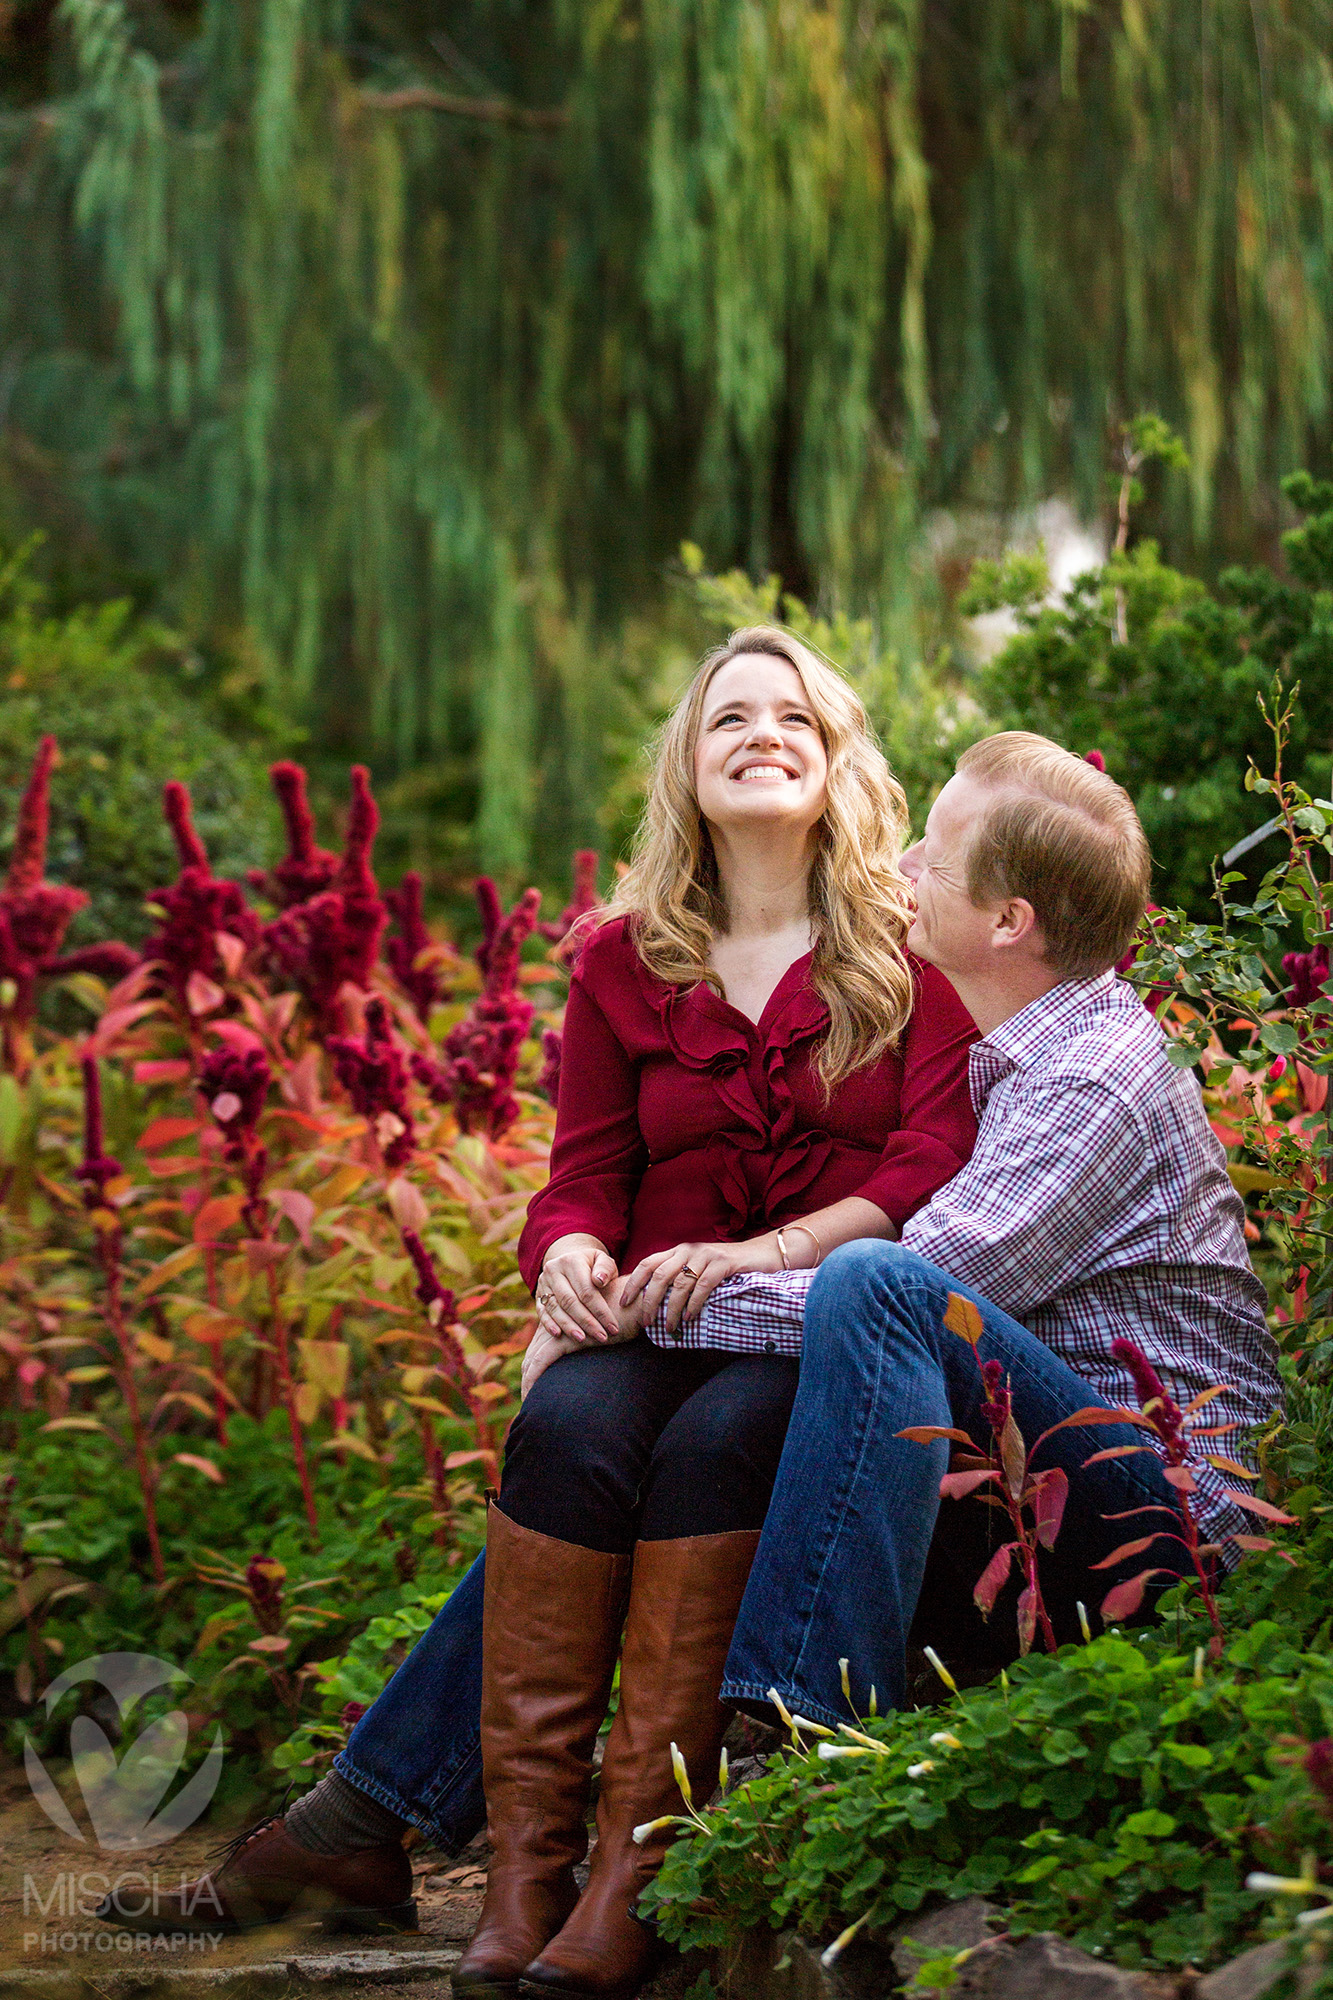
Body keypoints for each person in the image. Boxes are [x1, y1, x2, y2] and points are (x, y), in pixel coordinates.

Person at [123, 627, 977, 1992]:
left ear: (834, 763)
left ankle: (627, 1867)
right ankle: (519, 1885)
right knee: (570, 1430)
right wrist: (567, 1260)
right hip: (643, 1320)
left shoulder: (905, 957)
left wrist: (769, 1255)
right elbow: (579, 1179)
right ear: (687, 771)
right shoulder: (618, 963)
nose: (761, 736)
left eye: (794, 721)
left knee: (707, 1452)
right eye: (729, 720)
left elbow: (926, 1165)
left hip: (807, 1329)